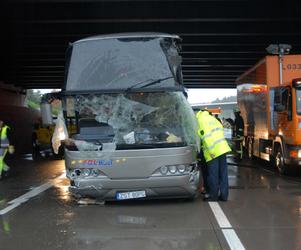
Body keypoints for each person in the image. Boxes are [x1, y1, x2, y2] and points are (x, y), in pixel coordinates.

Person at [196, 110, 231, 201]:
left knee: (213, 174)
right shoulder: (213, 119)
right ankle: (224, 196)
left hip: (213, 150)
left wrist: (211, 150)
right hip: (222, 148)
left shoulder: (200, 121)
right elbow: (221, 131)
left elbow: (206, 136)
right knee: (223, 173)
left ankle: (213, 195)